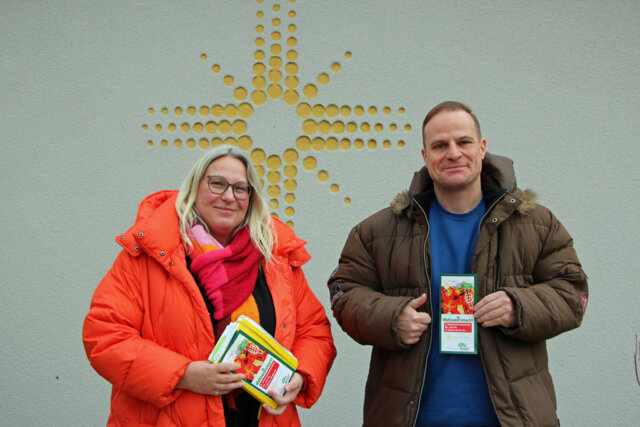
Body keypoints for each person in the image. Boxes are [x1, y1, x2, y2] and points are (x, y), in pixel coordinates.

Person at [328, 101, 588, 426]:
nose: (453, 153)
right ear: (425, 156)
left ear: (481, 148)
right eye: (440, 145)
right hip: (409, 418)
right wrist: (390, 317)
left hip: (512, 418)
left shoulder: (536, 223)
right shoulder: (378, 231)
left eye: (463, 142)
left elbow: (573, 294)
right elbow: (345, 293)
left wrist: (518, 306)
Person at [83, 145, 336, 426]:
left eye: (241, 188)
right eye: (217, 184)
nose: (229, 196)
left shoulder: (274, 257)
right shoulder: (151, 255)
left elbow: (314, 332)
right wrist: (182, 375)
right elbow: (105, 336)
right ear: (194, 187)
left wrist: (297, 375)